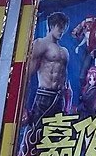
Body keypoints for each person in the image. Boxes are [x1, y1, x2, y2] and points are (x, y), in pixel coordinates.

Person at [18, 11, 71, 156]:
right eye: (59, 27)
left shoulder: (64, 51)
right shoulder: (41, 44)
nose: (62, 30)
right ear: (51, 26)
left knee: (56, 138)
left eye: (64, 27)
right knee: (35, 135)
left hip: (59, 98)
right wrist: (23, 107)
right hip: (44, 95)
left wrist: (67, 102)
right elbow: (27, 76)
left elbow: (65, 79)